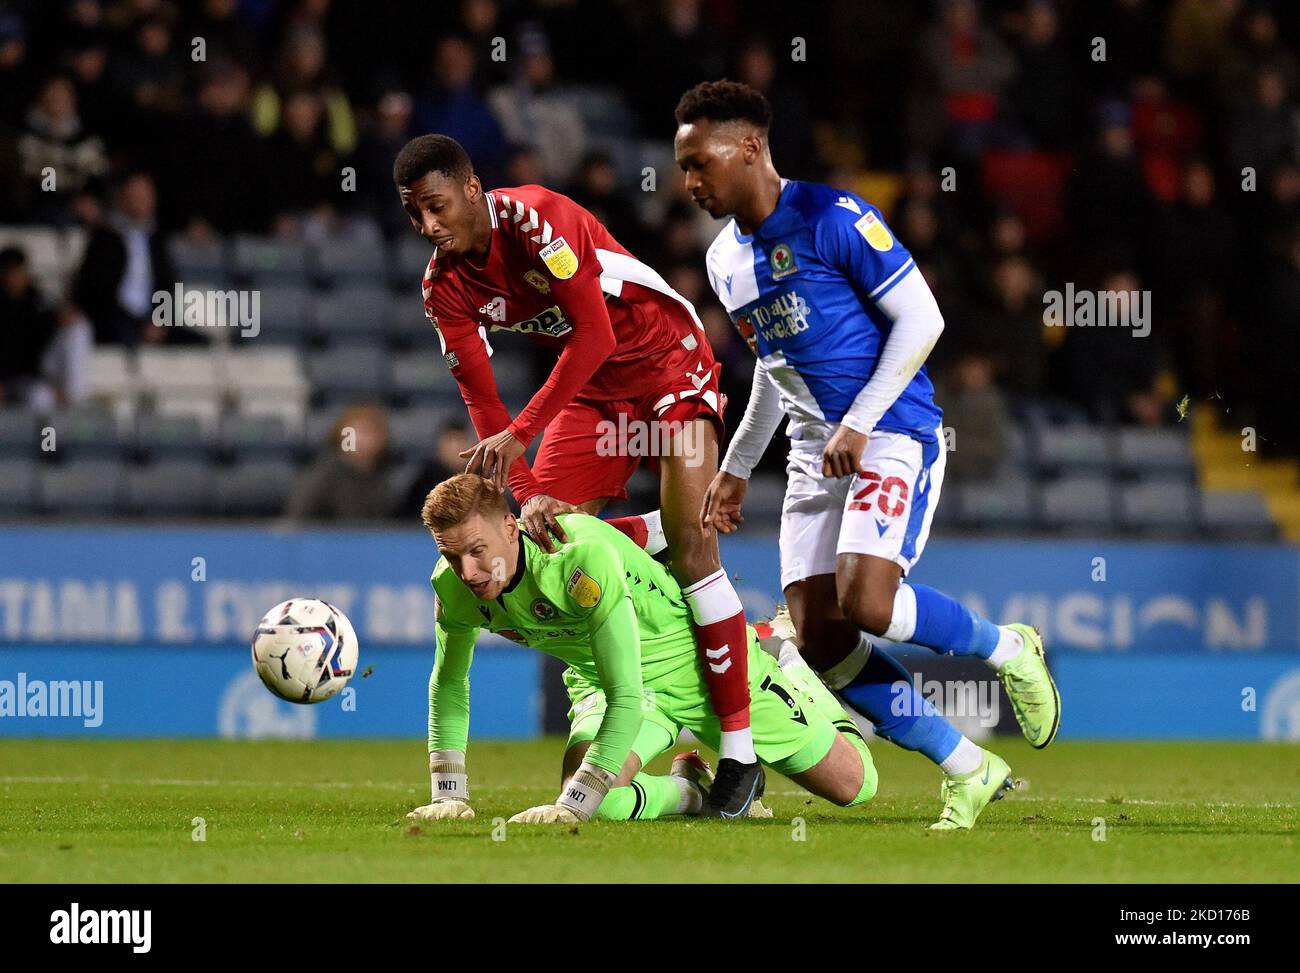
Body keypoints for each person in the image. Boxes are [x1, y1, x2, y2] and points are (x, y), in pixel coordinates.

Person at [673, 80, 1060, 824]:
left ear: (750, 146)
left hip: (891, 433)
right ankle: (968, 763)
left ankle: (1007, 646)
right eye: (684, 165)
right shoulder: (724, 259)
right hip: (815, 450)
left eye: (700, 162)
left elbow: (923, 318)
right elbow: (772, 373)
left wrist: (858, 420)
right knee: (821, 637)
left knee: (868, 602)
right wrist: (736, 465)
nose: (690, 182)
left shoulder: (832, 215)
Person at [393, 133, 761, 816]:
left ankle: (739, 754)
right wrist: (527, 494)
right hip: (592, 391)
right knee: (556, 534)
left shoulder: (535, 219)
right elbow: (481, 403)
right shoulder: (443, 287)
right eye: (416, 215)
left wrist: (524, 432)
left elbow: (593, 331)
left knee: (694, 552)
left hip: (664, 358)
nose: (430, 227)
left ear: (472, 188)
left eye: (438, 207)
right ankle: (652, 546)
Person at [407, 474, 877, 825]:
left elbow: (627, 690)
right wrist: (449, 794)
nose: (467, 571)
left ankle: (789, 664)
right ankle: (691, 790)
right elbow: (448, 682)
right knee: (598, 796)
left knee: (855, 787)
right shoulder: (452, 587)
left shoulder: (576, 562)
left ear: (511, 528)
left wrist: (569, 811)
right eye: (451, 556)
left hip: (699, 666)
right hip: (605, 683)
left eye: (475, 550)